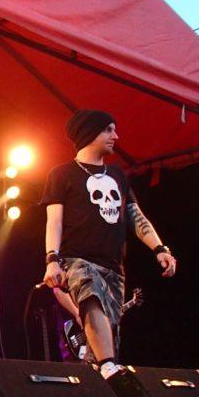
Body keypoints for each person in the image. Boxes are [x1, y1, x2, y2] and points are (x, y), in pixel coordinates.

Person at [41, 109, 176, 378]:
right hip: (77, 258)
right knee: (90, 297)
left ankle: (98, 376)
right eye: (109, 130)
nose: (116, 136)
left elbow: (135, 216)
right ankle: (107, 364)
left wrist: (159, 248)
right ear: (89, 133)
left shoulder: (118, 175)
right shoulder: (62, 174)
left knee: (103, 342)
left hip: (113, 266)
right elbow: (54, 221)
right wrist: (52, 259)